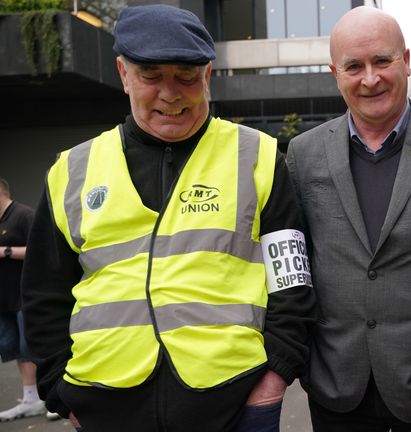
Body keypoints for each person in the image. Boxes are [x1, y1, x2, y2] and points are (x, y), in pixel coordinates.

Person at [20, 5, 314, 432]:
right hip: (104, 405)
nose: (170, 94)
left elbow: (292, 281)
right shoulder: (73, 170)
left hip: (236, 403)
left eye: (186, 77)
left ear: (208, 76)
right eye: (151, 75)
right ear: (123, 74)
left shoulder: (259, 157)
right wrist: (58, 390)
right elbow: (43, 294)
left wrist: (275, 377)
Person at [285, 6, 411, 431]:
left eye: (382, 60)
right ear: (334, 73)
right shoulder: (302, 154)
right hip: (335, 385)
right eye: (353, 66)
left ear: (407, 60)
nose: (370, 78)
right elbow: (296, 264)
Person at [0, 178, 46, 422]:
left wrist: (5, 252)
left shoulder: (23, 215)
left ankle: (49, 396)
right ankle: (30, 398)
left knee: (32, 347)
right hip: (4, 298)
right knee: (15, 348)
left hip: (24, 295)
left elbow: (40, 249)